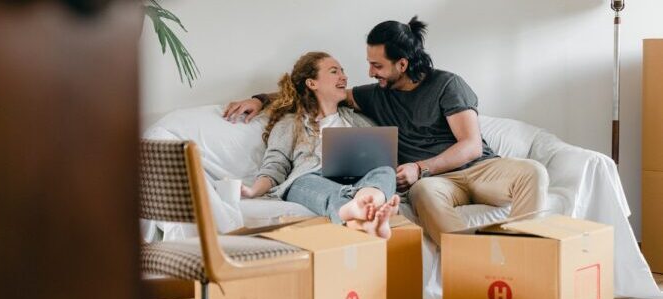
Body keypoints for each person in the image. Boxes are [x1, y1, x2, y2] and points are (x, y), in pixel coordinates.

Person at [223, 17, 548, 245]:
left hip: (478, 170)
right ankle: (469, 259)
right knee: (422, 194)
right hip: (432, 185)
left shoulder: (447, 85)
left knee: (533, 173)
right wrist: (260, 99)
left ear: (402, 64)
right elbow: (305, 100)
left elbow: (471, 146)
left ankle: (523, 254)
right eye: (367, 63)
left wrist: (419, 168)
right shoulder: (370, 96)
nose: (367, 72)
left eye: (377, 65)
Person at [240, 51, 400, 238]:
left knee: (385, 170)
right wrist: (253, 191)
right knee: (301, 181)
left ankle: (367, 207)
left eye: (343, 71)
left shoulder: (359, 120)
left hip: (358, 181)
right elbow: (275, 165)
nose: (344, 77)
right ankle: (358, 212)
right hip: (312, 179)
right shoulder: (290, 123)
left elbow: (382, 159)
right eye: (334, 71)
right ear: (312, 83)